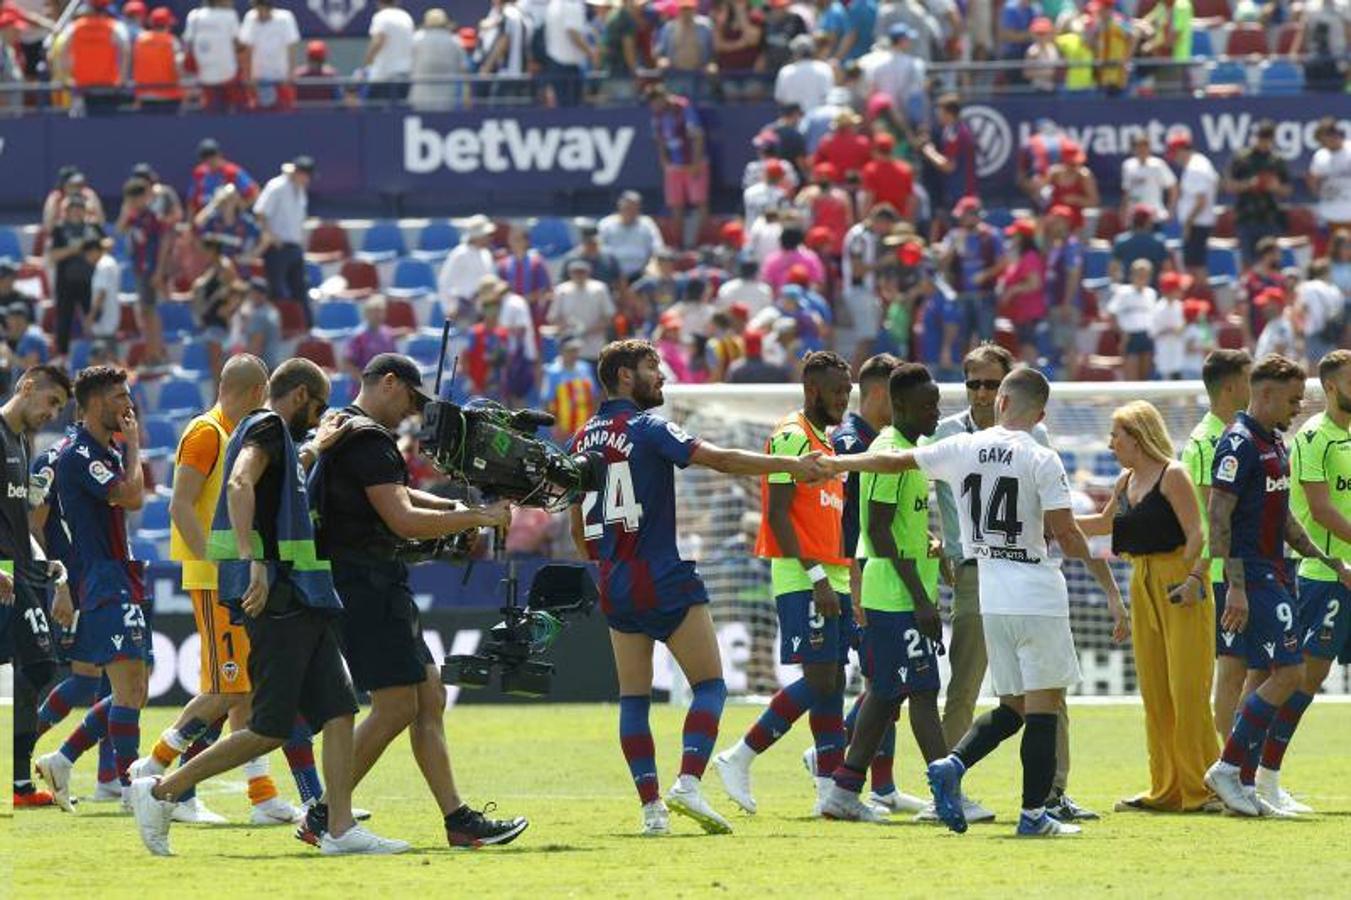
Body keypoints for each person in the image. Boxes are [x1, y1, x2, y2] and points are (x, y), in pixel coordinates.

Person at [828, 366, 1128, 837]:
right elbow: (1067, 533)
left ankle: (952, 763)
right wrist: (1111, 592)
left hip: (990, 596)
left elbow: (893, 461)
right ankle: (1033, 816)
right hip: (1036, 593)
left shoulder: (963, 447)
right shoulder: (1042, 458)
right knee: (1045, 705)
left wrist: (837, 464)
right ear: (1041, 413)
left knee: (1013, 706)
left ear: (1002, 402)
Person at [129, 359, 407, 856]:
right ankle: (159, 792)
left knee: (341, 711)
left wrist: (316, 446)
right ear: (299, 396)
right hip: (279, 600)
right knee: (268, 729)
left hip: (306, 597)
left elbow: (279, 481)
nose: (319, 417)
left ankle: (338, 829)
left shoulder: (280, 437)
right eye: (317, 407)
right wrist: (251, 558)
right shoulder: (265, 425)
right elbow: (239, 483)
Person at [569, 339, 828, 835]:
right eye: (652, 367)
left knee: (633, 699)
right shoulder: (645, 427)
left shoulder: (581, 437)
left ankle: (651, 811)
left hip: (614, 579)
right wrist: (793, 466)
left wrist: (604, 561)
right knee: (710, 685)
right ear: (625, 376)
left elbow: (577, 526)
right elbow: (722, 460)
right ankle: (688, 781)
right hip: (661, 575)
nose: (662, 376)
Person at [309, 353, 528, 847]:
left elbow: (400, 495)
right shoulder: (368, 440)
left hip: (372, 581)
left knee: (429, 694)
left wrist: (461, 507)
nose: (413, 412)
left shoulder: (347, 427)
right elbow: (403, 518)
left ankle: (457, 819)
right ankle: (325, 815)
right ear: (389, 383)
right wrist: (476, 518)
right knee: (394, 706)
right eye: (411, 398)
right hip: (365, 585)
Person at [138, 354, 315, 826]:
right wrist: (218, 567)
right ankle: (154, 769)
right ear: (258, 393)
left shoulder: (233, 436)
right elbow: (179, 506)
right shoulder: (206, 433)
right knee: (227, 688)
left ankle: (260, 796)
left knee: (243, 691)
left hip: (231, 580)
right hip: (215, 581)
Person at [924, 343, 1079, 824]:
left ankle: (1045, 791)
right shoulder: (953, 434)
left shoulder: (1023, 439)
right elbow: (1063, 527)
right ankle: (1013, 806)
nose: (982, 392)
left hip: (996, 581)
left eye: (991, 384)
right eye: (973, 383)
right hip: (986, 578)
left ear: (1005, 392)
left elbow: (1051, 514)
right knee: (982, 690)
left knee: (1030, 701)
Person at [1204, 354, 1351, 817]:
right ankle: (1229, 768)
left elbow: (1283, 516)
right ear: (1263, 393)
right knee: (1288, 674)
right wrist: (1238, 586)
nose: (1297, 408)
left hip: (1280, 571)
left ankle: (1245, 783)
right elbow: (1218, 515)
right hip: (1254, 575)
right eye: (1291, 400)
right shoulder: (1238, 443)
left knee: (1270, 674)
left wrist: (1325, 556)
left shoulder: (1275, 442)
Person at [714, 352, 856, 817]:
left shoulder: (827, 442)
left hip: (830, 574)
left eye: (848, 389)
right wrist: (816, 577)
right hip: (803, 576)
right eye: (838, 390)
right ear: (813, 390)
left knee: (833, 683)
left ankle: (829, 794)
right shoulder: (791, 437)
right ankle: (740, 756)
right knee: (819, 681)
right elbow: (777, 514)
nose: (845, 397)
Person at [1075, 401, 1216, 812]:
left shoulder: (1173, 475)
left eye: (1116, 435)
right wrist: (1052, 521)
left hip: (1180, 583)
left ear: (1137, 437)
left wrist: (1192, 580)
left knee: (1188, 692)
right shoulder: (1125, 480)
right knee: (1156, 693)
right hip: (1143, 581)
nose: (1110, 442)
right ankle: (1166, 789)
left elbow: (1198, 534)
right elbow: (1102, 524)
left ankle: (1203, 789)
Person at [821, 362, 947, 822]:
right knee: (923, 690)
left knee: (887, 694)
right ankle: (945, 795)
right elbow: (876, 528)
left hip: (895, 592)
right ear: (901, 407)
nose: (936, 413)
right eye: (928, 405)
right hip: (894, 597)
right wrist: (920, 598)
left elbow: (896, 526)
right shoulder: (889, 452)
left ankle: (843, 788)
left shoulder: (912, 450)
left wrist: (929, 545)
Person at [34, 366, 148, 812]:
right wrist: (56, 579)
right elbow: (132, 497)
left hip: (116, 574)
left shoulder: (103, 451)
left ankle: (67, 763)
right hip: (94, 578)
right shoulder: (76, 455)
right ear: (97, 402)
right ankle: (125, 786)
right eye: (120, 396)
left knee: (125, 685)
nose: (128, 404)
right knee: (107, 683)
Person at [1269, 350, 1351, 815]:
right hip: (1325, 575)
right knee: (1305, 677)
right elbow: (1320, 509)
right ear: (1335, 387)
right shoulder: (1314, 437)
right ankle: (1266, 776)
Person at [0, 366, 74, 809]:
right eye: (51, 403)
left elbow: (20, 520)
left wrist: (53, 570)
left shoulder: (23, 444)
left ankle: (20, 785)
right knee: (41, 669)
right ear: (27, 388)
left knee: (35, 672)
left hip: (19, 570)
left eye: (60, 409)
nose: (53, 414)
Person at [1179, 349, 1253, 742]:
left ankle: (1240, 765)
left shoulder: (1238, 433)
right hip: (1225, 573)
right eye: (1249, 377)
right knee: (1233, 669)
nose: (1254, 385)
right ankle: (1228, 766)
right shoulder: (1210, 440)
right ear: (1230, 386)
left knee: (1253, 669)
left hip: (1245, 568)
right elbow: (1218, 517)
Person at [253, 155, 314, 327]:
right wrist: (271, 235)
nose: (308, 179)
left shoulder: (300, 191)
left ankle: (306, 329)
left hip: (295, 248)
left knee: (300, 290)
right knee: (277, 292)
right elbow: (260, 212)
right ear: (298, 172)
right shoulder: (276, 186)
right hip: (277, 249)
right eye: (306, 174)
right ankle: (277, 329)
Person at [116, 176, 171, 365]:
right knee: (145, 311)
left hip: (151, 269)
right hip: (140, 269)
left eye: (134, 199)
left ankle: (157, 353)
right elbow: (119, 229)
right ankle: (151, 352)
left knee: (151, 311)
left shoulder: (152, 217)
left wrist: (159, 271)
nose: (132, 203)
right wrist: (126, 208)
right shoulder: (134, 217)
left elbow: (164, 242)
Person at [648, 85, 709, 250]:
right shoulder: (657, 114)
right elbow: (659, 140)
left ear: (664, 97)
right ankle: (678, 244)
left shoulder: (683, 107)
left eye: (657, 101)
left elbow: (697, 135)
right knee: (675, 205)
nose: (655, 105)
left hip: (693, 164)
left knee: (700, 202)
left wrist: (696, 163)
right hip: (674, 167)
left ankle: (700, 243)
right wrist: (664, 162)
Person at [1226, 119, 1293, 265]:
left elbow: (1287, 190)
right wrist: (1249, 184)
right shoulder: (1242, 158)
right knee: (1248, 261)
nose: (1264, 142)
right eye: (1261, 137)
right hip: (1246, 217)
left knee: (1271, 260)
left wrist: (1275, 187)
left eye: (1268, 138)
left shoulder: (1276, 160)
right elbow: (1228, 186)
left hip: (1269, 217)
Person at [47, 195, 105, 359]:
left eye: (80, 208)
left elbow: (107, 244)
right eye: (73, 209)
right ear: (66, 211)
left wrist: (94, 248)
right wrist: (75, 248)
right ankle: (63, 357)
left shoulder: (93, 227)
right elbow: (53, 255)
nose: (77, 212)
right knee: (64, 320)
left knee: (95, 319)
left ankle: (98, 355)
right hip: (66, 282)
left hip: (90, 281)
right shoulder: (59, 229)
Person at [1167, 131, 1219, 286]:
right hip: (1198, 223)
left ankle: (1202, 300)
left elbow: (1201, 201)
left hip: (1197, 224)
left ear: (1182, 150)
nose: (1175, 160)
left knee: (1195, 267)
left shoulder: (1196, 167)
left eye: (1175, 154)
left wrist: (1188, 224)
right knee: (1194, 266)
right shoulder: (1200, 163)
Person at [549, 259, 615, 365]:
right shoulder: (562, 291)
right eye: (575, 272)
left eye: (582, 272)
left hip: (595, 348)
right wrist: (569, 329)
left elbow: (609, 317)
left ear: (588, 272)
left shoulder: (599, 289)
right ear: (570, 273)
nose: (579, 275)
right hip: (569, 350)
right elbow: (553, 317)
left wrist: (587, 330)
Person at [239, 0, 300, 110]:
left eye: (262, 8)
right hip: (258, 81)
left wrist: (290, 74)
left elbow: (291, 48)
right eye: (257, 8)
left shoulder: (285, 18)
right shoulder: (250, 17)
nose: (259, 13)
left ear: (269, 7)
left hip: (281, 79)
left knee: (286, 115)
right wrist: (248, 76)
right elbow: (246, 49)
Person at [184, 0, 244, 112]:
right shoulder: (230, 15)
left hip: (206, 76)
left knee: (211, 114)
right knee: (236, 113)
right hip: (228, 75)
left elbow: (188, 44)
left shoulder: (194, 15)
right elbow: (239, 46)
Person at [1107, 259, 1159, 382]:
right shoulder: (1123, 292)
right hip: (1129, 337)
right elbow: (1112, 314)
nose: (1142, 277)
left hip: (1147, 337)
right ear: (1132, 275)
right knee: (1131, 377)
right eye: (1139, 274)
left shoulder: (1151, 293)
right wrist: (1122, 335)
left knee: (1145, 376)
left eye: (1145, 274)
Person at [599, 191, 667, 283]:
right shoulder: (606, 224)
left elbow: (658, 248)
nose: (630, 211)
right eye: (627, 207)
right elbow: (599, 249)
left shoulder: (647, 223)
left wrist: (652, 265)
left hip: (642, 273)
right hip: (613, 274)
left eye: (634, 207)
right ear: (620, 207)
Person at [410, 8, 468, 111]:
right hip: (447, 99)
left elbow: (408, 65)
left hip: (420, 98)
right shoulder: (454, 41)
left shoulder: (416, 39)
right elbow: (464, 70)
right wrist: (467, 95)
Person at [131, 7, 185, 113]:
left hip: (145, 96)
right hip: (169, 96)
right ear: (167, 24)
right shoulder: (172, 41)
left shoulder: (139, 40)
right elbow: (179, 66)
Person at [1120, 134, 1178, 227]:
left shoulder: (1158, 165)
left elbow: (1173, 187)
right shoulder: (1128, 165)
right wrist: (1123, 212)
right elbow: (1126, 192)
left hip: (1155, 216)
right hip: (1135, 217)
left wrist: (1170, 210)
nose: (1142, 150)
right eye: (1139, 147)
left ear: (1149, 148)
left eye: (1145, 147)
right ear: (1133, 149)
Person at [365, 0, 415, 103]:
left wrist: (368, 60)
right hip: (405, 74)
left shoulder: (381, 17)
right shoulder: (406, 17)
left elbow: (378, 40)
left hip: (384, 76)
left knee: (375, 115)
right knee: (399, 114)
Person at [1307, 116, 1351, 234]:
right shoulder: (1320, 156)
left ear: (1335, 135)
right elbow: (1313, 183)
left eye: (1326, 138)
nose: (1324, 143)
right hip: (1330, 215)